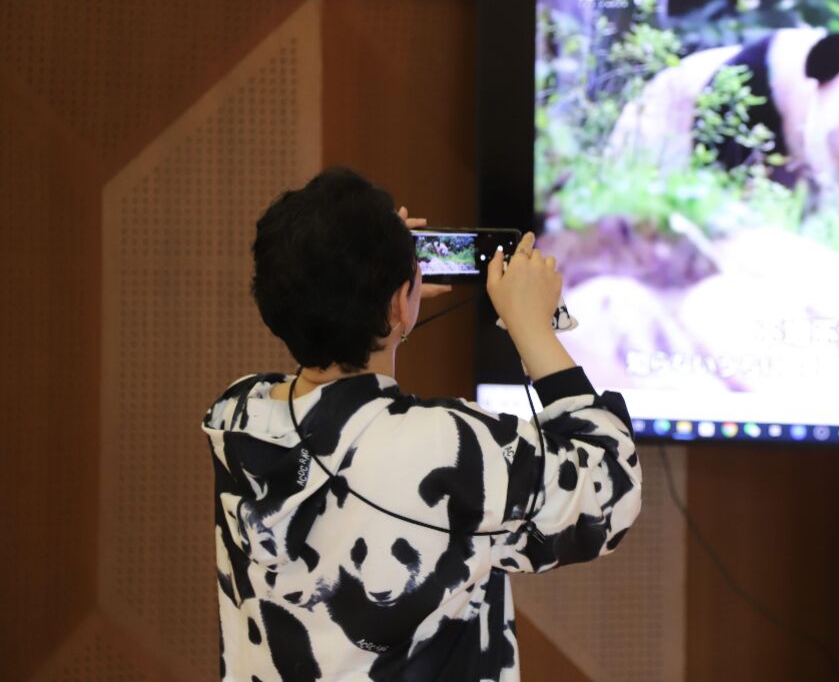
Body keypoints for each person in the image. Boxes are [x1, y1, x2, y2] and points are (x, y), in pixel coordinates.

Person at [201, 168, 642, 681]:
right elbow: (611, 491)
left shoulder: (237, 413)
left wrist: (384, 304)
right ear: (395, 302)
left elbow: (351, 416)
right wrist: (530, 326)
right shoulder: (447, 449)